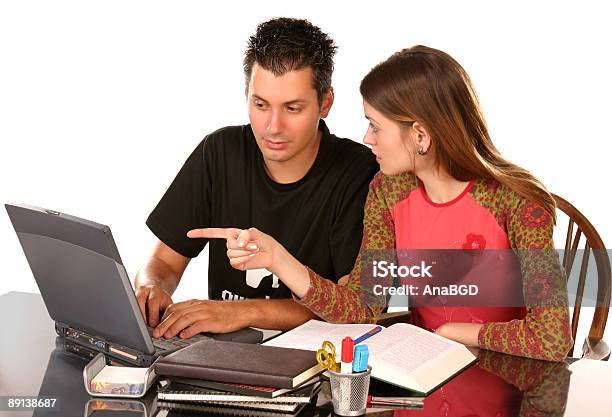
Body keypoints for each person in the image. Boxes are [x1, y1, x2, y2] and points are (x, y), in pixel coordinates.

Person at [192, 45, 573, 361]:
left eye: (376, 125)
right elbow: (361, 308)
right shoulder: (387, 192)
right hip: (424, 373)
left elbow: (553, 339)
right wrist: (278, 259)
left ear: (420, 134)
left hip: (508, 379)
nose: (367, 137)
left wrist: (459, 331)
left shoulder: (519, 203)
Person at [136, 18, 378, 339]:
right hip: (225, 353)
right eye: (260, 104)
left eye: (292, 108)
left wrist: (242, 311)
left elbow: (359, 308)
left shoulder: (364, 174)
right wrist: (152, 288)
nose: (272, 126)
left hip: (318, 362)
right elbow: (163, 263)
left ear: (326, 103)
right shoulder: (219, 151)